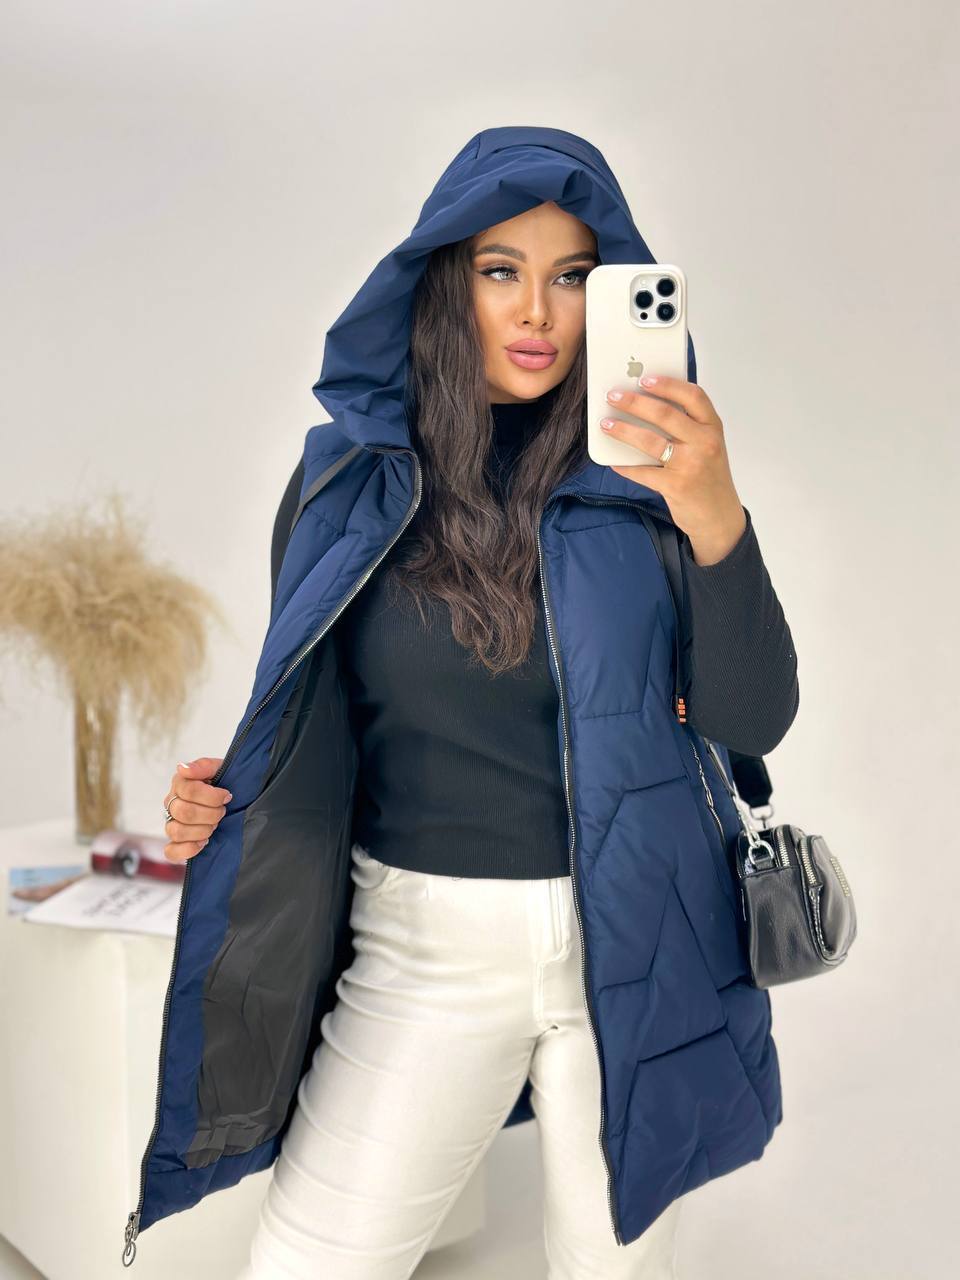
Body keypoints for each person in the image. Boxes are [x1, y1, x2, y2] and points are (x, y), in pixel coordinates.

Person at [129, 128, 798, 1280]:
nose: (538, 309)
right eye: (501, 270)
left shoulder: (650, 486)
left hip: (640, 931)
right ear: (446, 281)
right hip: (422, 944)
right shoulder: (346, 479)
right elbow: (309, 718)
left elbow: (755, 717)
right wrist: (223, 798)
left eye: (574, 276)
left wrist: (716, 512)